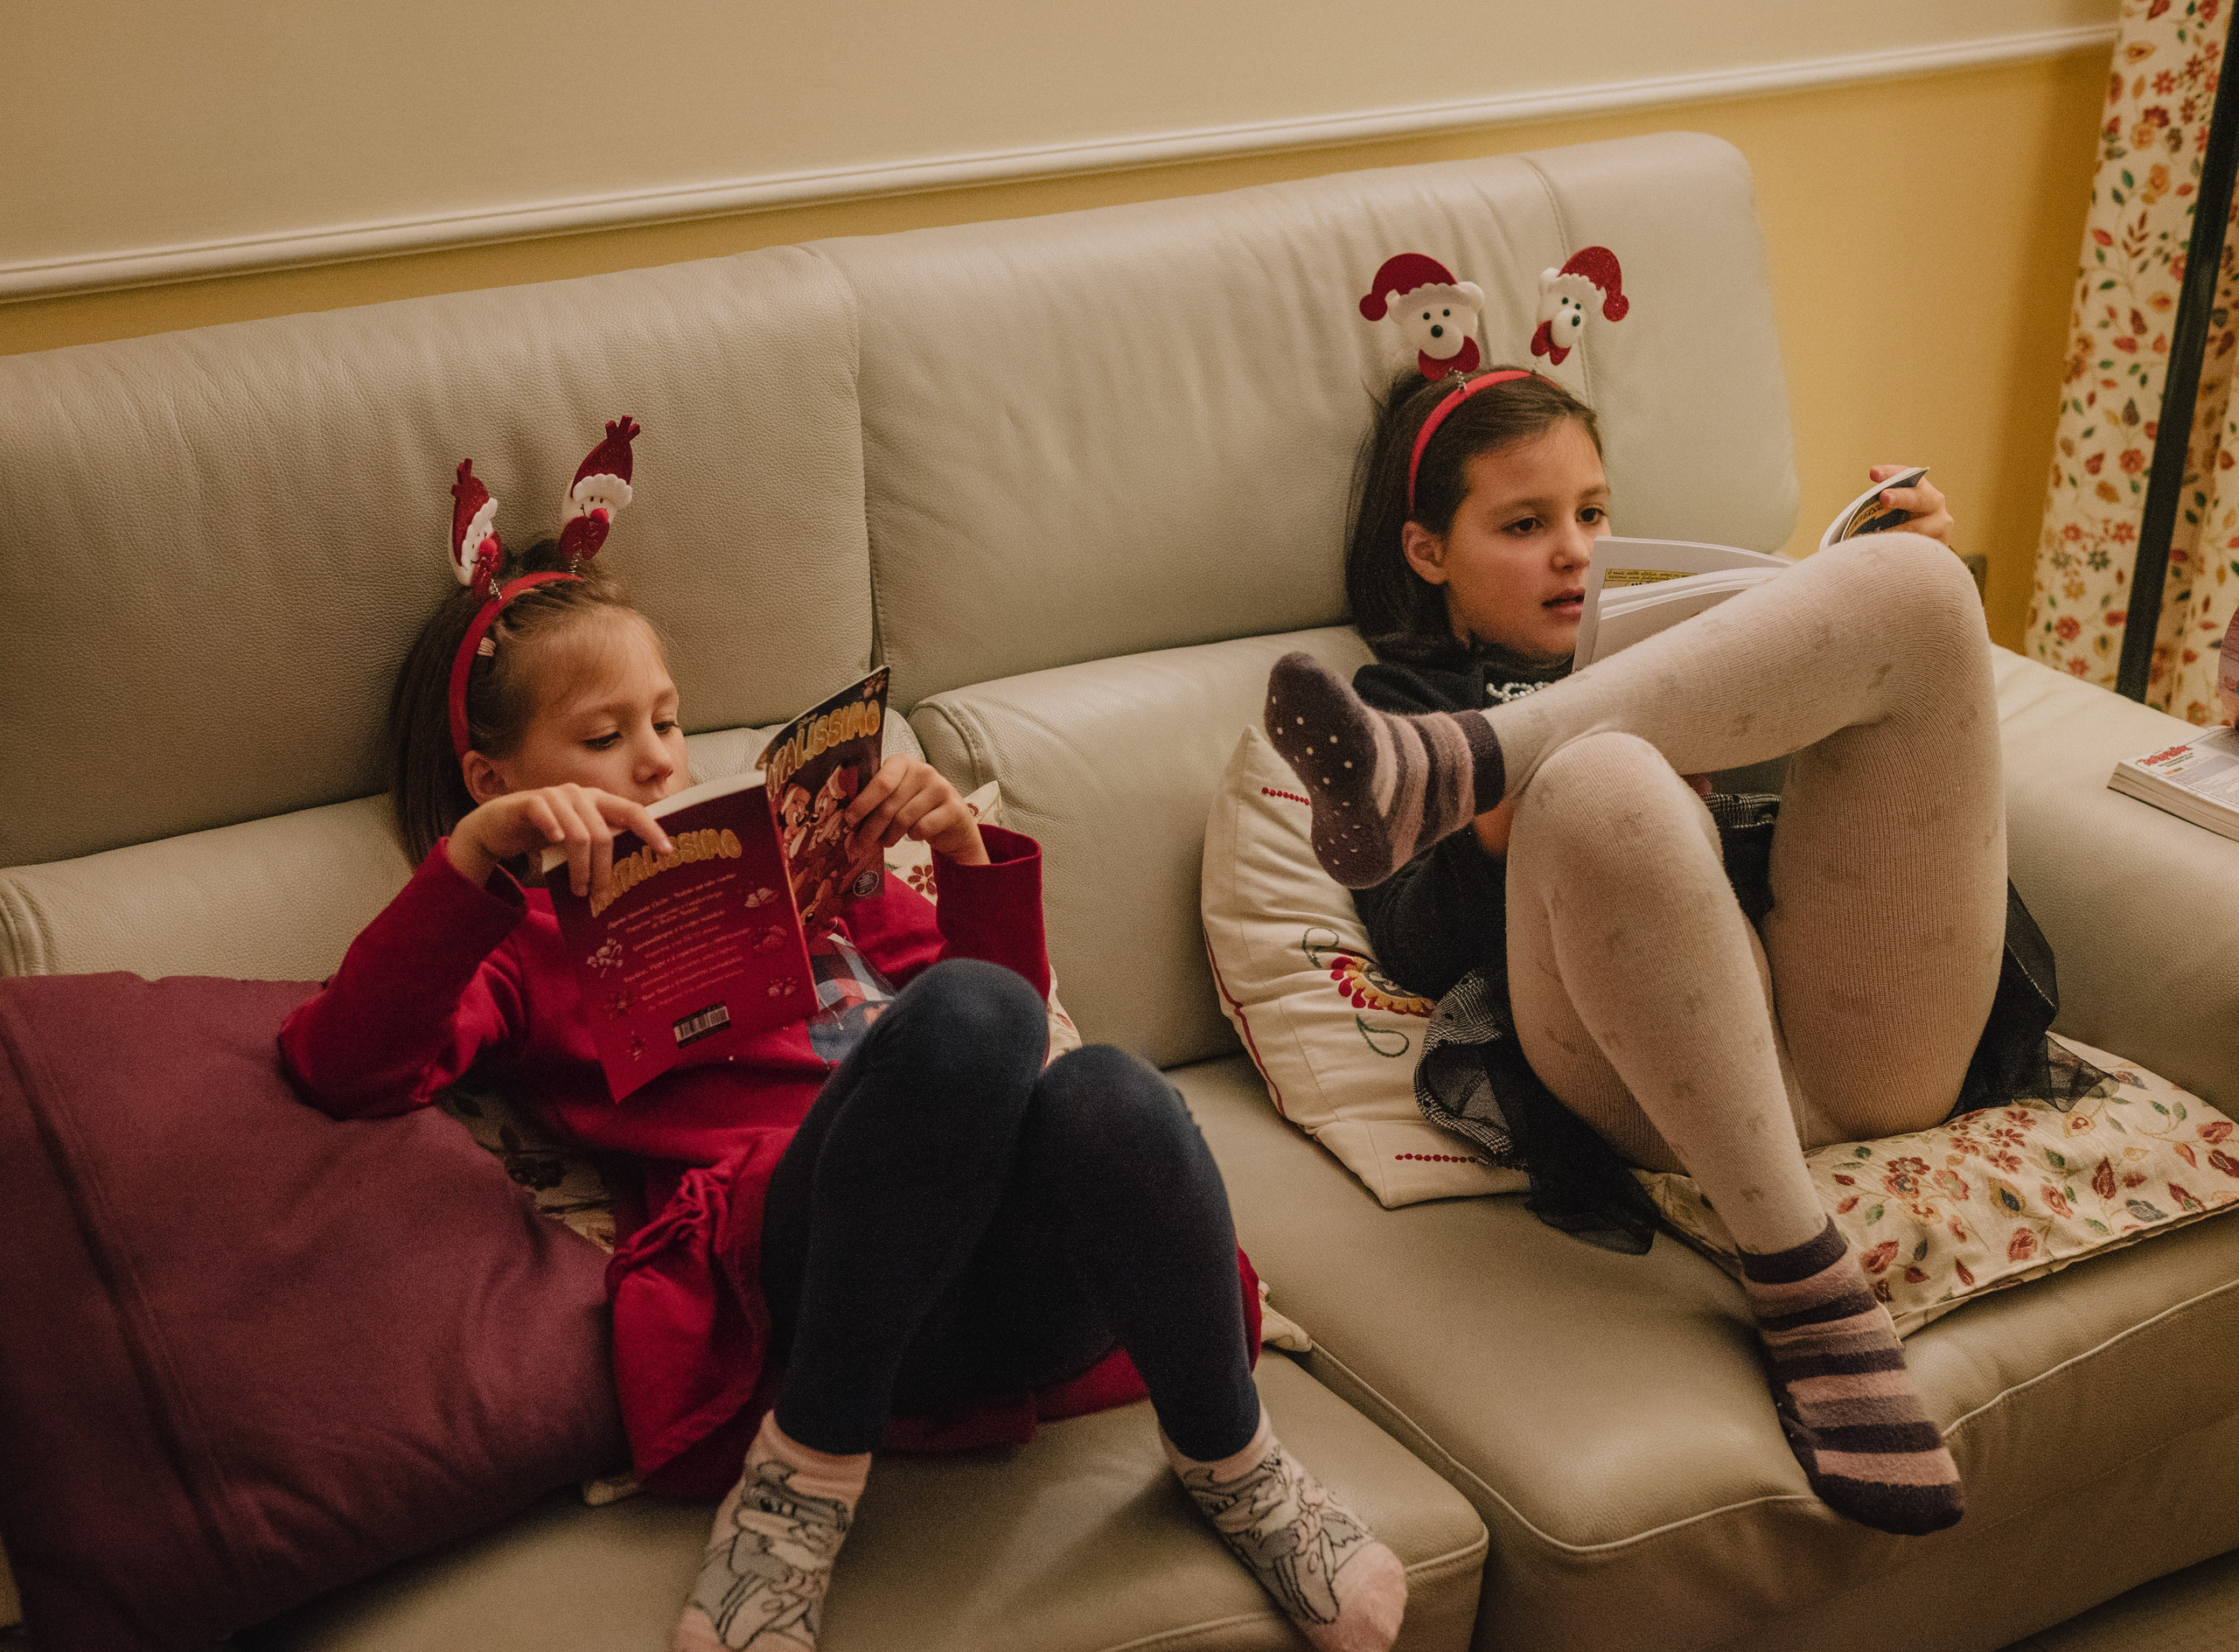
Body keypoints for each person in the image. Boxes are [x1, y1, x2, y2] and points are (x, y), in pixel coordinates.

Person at [279, 426, 1407, 1652]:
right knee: (971, 1023)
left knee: (1109, 1095)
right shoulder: (521, 938)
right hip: (812, 1292)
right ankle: (799, 1486)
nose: (656, 759)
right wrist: (475, 856)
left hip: (1008, 1286)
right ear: (496, 772)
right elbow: (346, 1062)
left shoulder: (818, 874)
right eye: (602, 739)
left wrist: (958, 857)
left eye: (664, 720)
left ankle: (1234, 1461)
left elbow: (1011, 1037)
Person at [1263, 365, 2077, 1540]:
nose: (1575, 551)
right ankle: (1804, 1285)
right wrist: (1506, 826)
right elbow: (1421, 946)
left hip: (1863, 1034)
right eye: (1525, 523)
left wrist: (1873, 580)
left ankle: (1477, 757)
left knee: (1919, 584)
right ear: (1429, 551)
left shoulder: (1710, 625)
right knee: (1598, 775)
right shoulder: (1392, 698)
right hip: (1656, 1085)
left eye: (1594, 514)